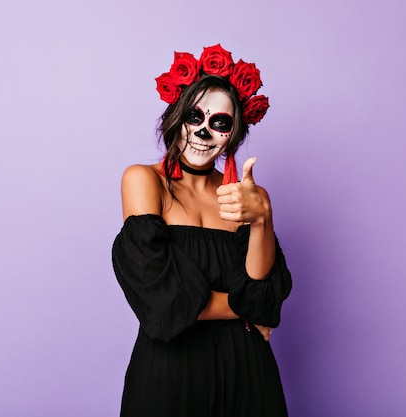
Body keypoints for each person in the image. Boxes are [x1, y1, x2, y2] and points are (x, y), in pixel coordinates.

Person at [111, 44, 292, 417]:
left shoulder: (245, 198)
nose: (204, 132)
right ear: (177, 116)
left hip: (248, 370)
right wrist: (246, 309)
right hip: (170, 373)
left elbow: (264, 289)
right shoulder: (144, 181)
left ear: (234, 134)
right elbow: (165, 302)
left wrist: (262, 216)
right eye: (195, 116)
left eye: (220, 123)